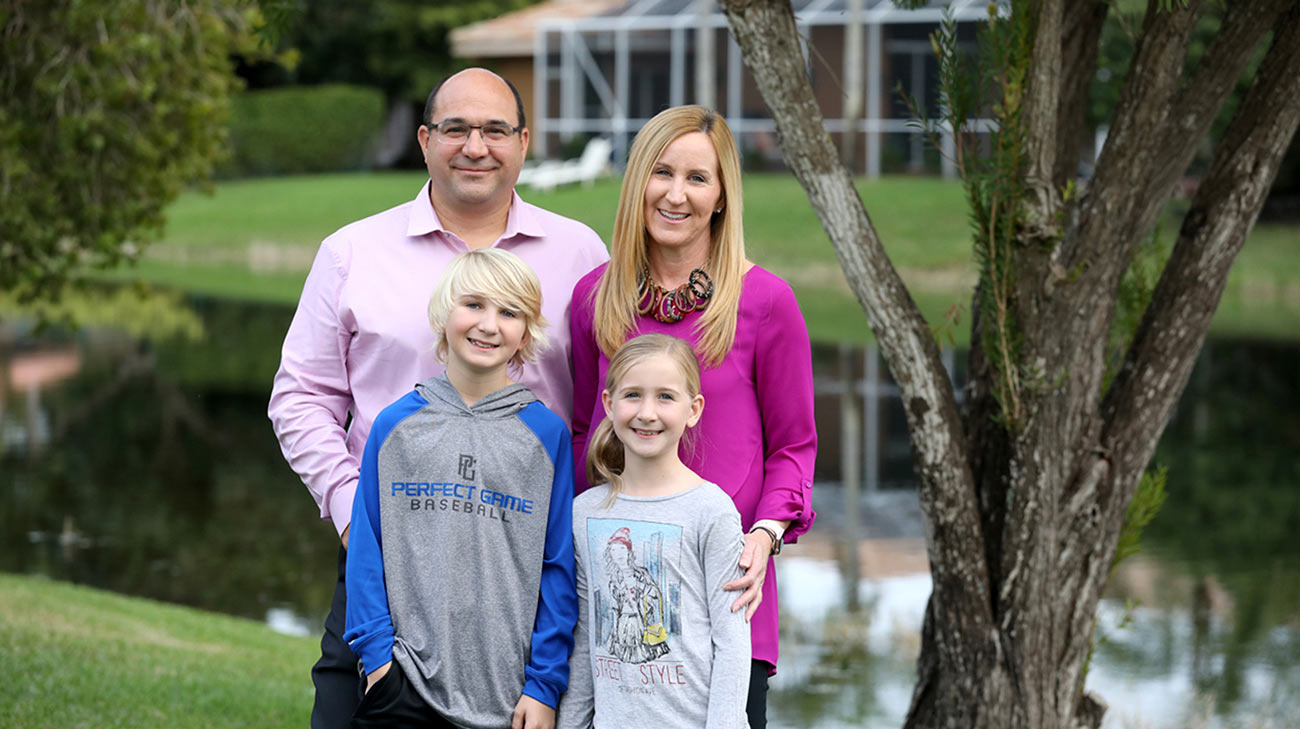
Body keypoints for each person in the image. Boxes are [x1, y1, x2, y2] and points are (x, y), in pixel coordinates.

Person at [268, 67, 606, 729]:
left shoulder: (580, 254)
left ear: (524, 141)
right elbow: (300, 395)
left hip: (525, 573)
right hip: (385, 559)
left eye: (494, 130)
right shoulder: (352, 251)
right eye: (456, 128)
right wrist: (349, 508)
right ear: (425, 140)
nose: (475, 145)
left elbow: (602, 406)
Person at [569, 106, 816, 729]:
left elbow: (794, 447)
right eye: (661, 173)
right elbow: (580, 433)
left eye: (697, 178)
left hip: (728, 597)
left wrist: (763, 536)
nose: (676, 194)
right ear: (637, 184)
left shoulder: (765, 302)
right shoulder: (594, 300)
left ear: (722, 197)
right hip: (618, 604)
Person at [345, 248, 577, 729]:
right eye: (474, 304)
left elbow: (557, 567)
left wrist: (544, 684)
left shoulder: (546, 436)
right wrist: (378, 661)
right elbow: (367, 547)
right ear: (444, 313)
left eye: (509, 312)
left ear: (525, 333)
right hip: (402, 684)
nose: (489, 325)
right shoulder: (395, 425)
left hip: (510, 696)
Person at [558, 333, 749, 729]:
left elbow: (731, 642)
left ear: (693, 409)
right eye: (632, 396)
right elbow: (584, 636)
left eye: (665, 397)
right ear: (609, 405)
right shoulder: (584, 513)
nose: (647, 413)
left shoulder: (711, 511)